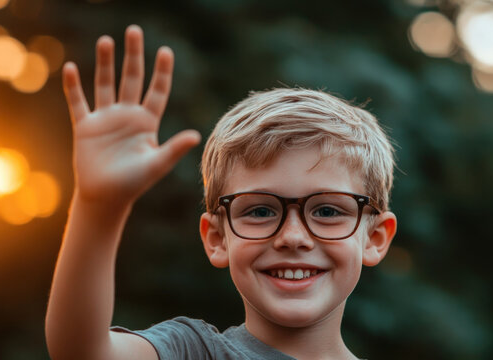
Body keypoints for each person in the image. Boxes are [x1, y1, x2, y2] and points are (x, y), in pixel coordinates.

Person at [45, 24, 397, 360]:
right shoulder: (192, 352)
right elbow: (83, 352)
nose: (293, 237)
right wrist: (99, 206)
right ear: (216, 237)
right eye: (260, 211)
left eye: (327, 211)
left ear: (376, 236)